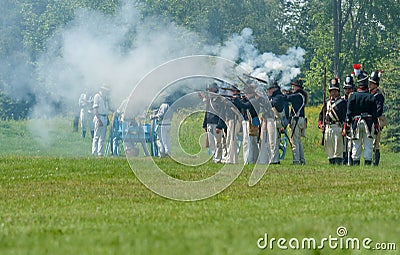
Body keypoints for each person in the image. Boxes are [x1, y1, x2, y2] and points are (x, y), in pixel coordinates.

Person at [343, 73, 379, 166]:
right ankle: (367, 163)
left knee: (356, 144)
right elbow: (374, 114)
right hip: (369, 122)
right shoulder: (371, 96)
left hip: (356, 123)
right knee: (368, 144)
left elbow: (349, 113)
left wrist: (347, 124)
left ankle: (356, 162)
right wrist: (376, 125)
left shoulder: (353, 96)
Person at [318, 78, 347, 165]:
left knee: (338, 149)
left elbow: (346, 117)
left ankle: (338, 164)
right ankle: (331, 164)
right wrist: (320, 124)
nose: (333, 93)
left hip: (337, 127)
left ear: (338, 91)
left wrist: (344, 128)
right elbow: (321, 115)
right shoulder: (327, 102)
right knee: (329, 149)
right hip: (328, 127)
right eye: (332, 91)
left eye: (335, 91)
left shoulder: (343, 103)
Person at [286, 78, 308, 165]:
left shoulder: (297, 96)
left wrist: (284, 94)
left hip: (296, 120)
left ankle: (296, 161)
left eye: (293, 86)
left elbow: (287, 98)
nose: (292, 88)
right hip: (300, 120)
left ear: (297, 87)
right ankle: (302, 160)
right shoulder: (300, 95)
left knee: (294, 141)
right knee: (298, 141)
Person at [266, 80, 289, 164]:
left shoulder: (278, 97)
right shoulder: (275, 97)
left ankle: (274, 160)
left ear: (274, 89)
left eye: (269, 89)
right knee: (273, 141)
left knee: (273, 141)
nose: (268, 91)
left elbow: (270, 105)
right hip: (273, 121)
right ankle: (274, 159)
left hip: (275, 122)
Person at [202, 83, 224, 163]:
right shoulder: (209, 100)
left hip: (216, 124)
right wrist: (205, 124)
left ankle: (218, 158)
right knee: (211, 142)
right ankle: (213, 156)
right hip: (209, 123)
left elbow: (222, 113)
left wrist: (219, 126)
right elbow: (206, 112)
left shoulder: (220, 100)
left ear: (215, 90)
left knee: (218, 142)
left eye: (211, 89)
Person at [368, 70, 385, 166]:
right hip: (369, 119)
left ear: (376, 85)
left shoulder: (379, 96)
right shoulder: (370, 94)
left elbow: (379, 110)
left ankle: (375, 162)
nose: (369, 85)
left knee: (376, 142)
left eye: (372, 83)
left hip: (376, 120)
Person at [92, 85, 111, 156]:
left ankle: (100, 152)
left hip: (105, 117)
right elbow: (95, 109)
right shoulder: (97, 96)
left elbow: (106, 109)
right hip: (99, 117)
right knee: (96, 136)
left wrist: (107, 118)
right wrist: (99, 120)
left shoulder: (105, 98)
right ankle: (94, 152)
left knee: (102, 137)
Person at [342, 74, 355, 165]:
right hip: (343, 124)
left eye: (349, 88)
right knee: (343, 145)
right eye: (346, 88)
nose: (347, 90)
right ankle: (344, 160)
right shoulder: (341, 100)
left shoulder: (355, 99)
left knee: (352, 144)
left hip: (353, 123)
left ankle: (352, 160)